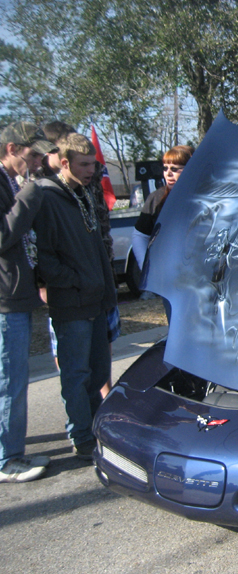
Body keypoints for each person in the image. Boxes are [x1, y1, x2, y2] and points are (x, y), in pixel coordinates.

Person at [33, 133, 117, 460]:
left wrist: (105, 291)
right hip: (71, 304)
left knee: (98, 372)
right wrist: (77, 282)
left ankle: (95, 429)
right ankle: (81, 436)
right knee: (76, 374)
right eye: (84, 165)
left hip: (96, 301)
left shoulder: (83, 193)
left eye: (94, 165)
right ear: (64, 162)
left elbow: (96, 248)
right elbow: (44, 258)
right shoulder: (46, 197)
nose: (91, 171)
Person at [0, 122, 55, 482]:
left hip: (15, 293)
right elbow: (4, 235)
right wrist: (30, 193)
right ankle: (9, 460)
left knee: (13, 378)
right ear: (10, 149)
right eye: (32, 154)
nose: (36, 162)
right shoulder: (19, 187)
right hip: (4, 300)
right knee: (10, 380)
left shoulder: (11, 182)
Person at [132, 145, 194, 320]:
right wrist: (149, 268)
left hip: (200, 280)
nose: (168, 173)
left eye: (175, 169)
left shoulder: (206, 197)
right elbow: (139, 235)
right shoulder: (156, 198)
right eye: (165, 168)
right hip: (171, 281)